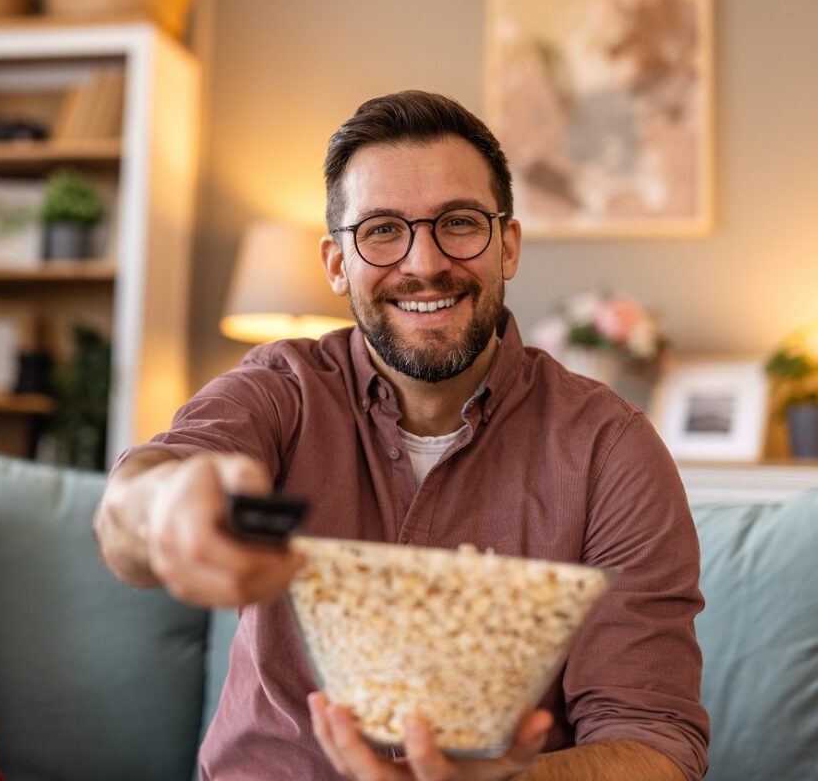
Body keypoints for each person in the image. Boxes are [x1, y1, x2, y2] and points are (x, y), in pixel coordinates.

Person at [94, 90, 708, 781]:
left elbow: (656, 743)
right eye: (382, 229)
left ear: (506, 245)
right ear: (335, 264)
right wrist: (164, 508)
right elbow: (131, 509)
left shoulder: (610, 448)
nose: (423, 263)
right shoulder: (279, 389)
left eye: (459, 222)